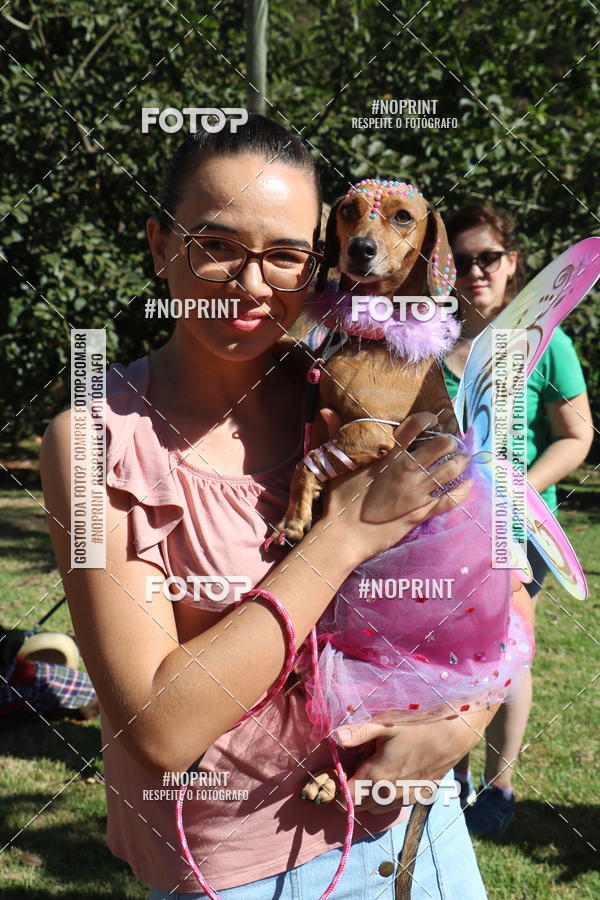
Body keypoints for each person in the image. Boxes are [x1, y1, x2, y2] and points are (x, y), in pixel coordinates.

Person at [40, 116, 521, 899]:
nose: (253, 282)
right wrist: (341, 539)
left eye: (286, 255)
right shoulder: (90, 442)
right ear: (161, 245)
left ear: (318, 263)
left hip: (415, 836)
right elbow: (159, 728)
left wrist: (459, 726)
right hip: (243, 873)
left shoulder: (353, 391)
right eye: (217, 244)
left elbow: (492, 576)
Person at [443, 203, 593, 838]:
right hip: (436, 533)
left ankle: (499, 788)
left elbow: (577, 436)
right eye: (462, 259)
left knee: (509, 658)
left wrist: (513, 490)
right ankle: (448, 774)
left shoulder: (546, 343)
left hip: (513, 529)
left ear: (514, 265)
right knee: (443, 655)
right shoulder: (425, 338)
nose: (476, 270)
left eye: (489, 258)